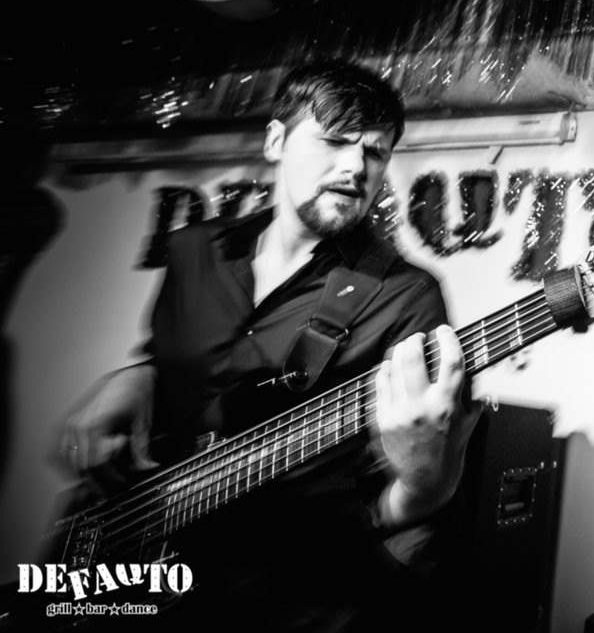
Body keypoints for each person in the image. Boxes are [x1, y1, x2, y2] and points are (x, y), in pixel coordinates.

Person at [51, 59, 480, 632]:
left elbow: (406, 506)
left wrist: (427, 475)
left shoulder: (407, 296)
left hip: (288, 597)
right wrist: (133, 378)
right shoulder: (194, 250)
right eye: (335, 140)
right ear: (276, 140)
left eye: (376, 152)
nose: (356, 166)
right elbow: (176, 364)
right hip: (137, 558)